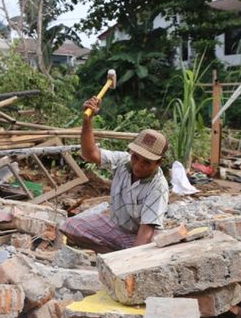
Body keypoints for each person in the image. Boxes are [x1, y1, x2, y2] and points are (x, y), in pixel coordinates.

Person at [58, 96, 169, 254]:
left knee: (149, 252)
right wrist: (88, 120)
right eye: (135, 157)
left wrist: (132, 262)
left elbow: (146, 230)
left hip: (139, 236)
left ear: (158, 163)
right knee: (69, 226)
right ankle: (110, 254)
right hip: (116, 226)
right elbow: (90, 154)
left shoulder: (158, 186)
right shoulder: (122, 161)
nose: (138, 165)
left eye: (146, 162)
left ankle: (119, 257)